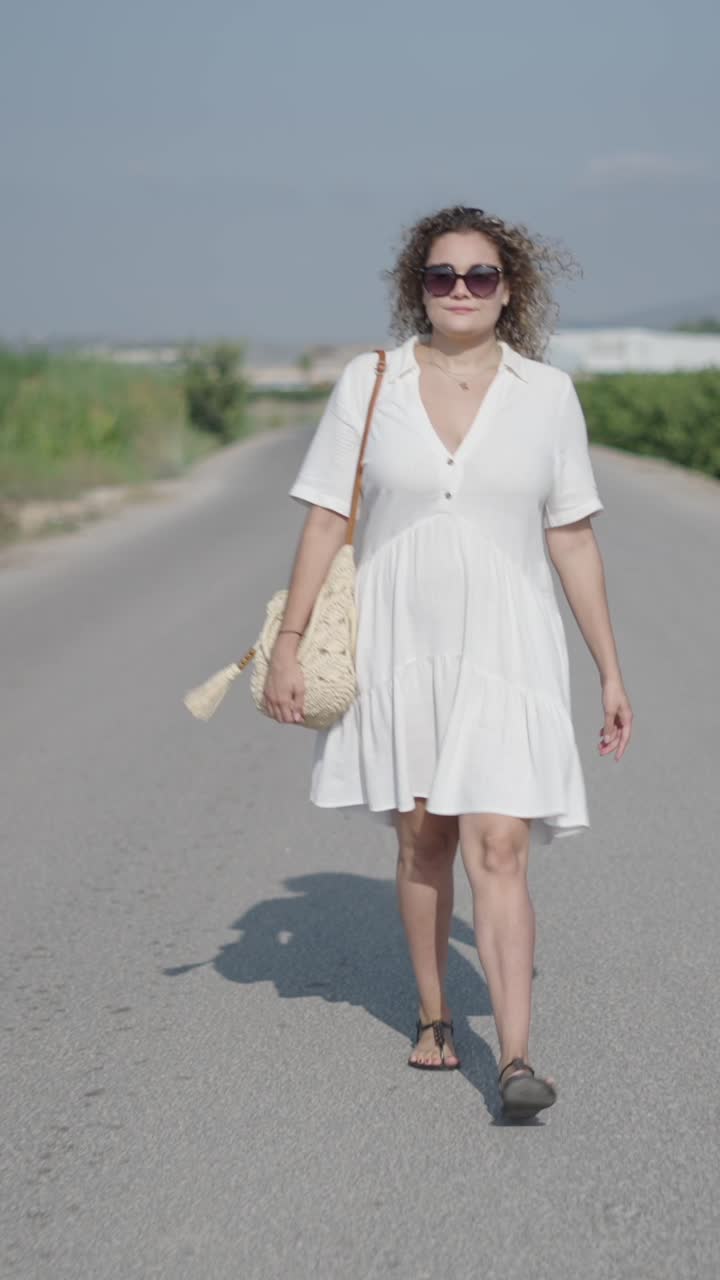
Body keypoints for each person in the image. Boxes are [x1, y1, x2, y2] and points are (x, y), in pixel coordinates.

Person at [262, 203, 633, 1120]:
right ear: (416, 287)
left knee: (499, 844)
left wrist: (610, 670)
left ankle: (514, 1058)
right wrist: (289, 642)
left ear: (511, 291)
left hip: (510, 649)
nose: (461, 291)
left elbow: (574, 538)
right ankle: (435, 1016)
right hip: (402, 647)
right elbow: (326, 517)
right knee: (424, 837)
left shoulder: (547, 394)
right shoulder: (371, 380)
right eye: (442, 276)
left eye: (480, 276)